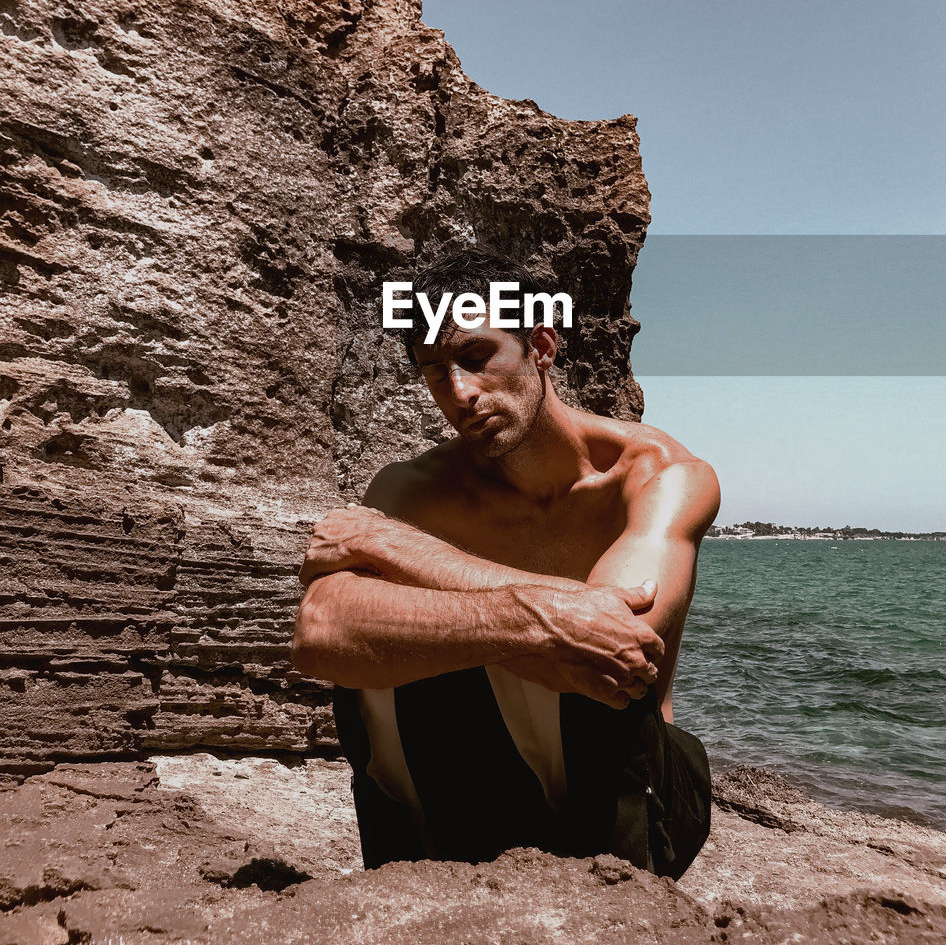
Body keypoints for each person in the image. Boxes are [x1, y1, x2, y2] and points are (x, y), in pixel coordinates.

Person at [291, 247, 720, 875]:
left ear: (541, 347)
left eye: (475, 357)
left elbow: (619, 650)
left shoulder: (662, 478)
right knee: (384, 663)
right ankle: (422, 881)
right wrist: (533, 619)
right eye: (435, 371)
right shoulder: (414, 489)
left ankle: (612, 903)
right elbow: (321, 630)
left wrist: (396, 547)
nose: (459, 393)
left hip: (642, 787)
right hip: (494, 780)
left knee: (547, 666)